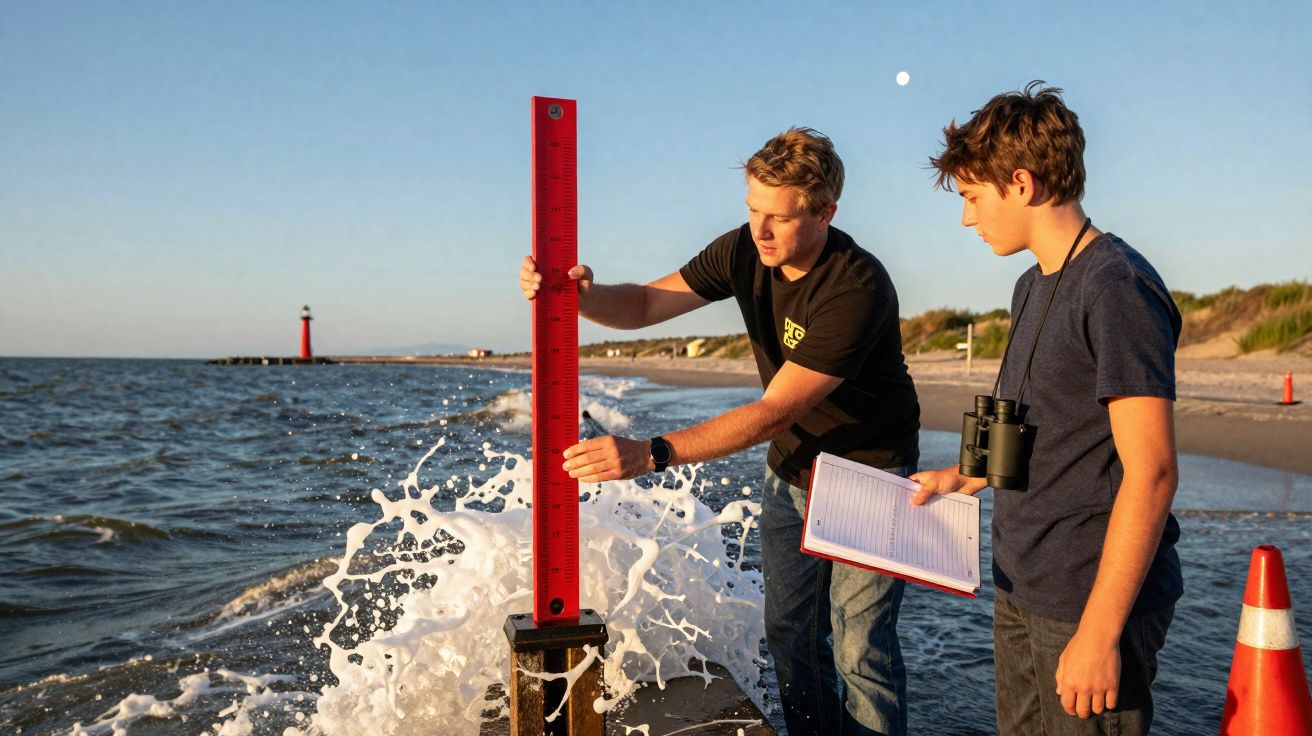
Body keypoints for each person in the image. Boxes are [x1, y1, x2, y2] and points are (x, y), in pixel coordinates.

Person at [519, 128, 920, 736]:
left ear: (825, 213)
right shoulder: (742, 249)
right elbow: (648, 305)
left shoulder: (854, 286)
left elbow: (772, 412)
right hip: (792, 468)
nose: (759, 230)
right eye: (753, 210)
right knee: (790, 635)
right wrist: (579, 296)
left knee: (861, 649)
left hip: (869, 473)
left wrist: (650, 453)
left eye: (778, 218)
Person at [911, 82, 1183, 735]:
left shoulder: (1116, 287)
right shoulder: (1030, 285)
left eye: (974, 198)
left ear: (1022, 184)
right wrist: (958, 479)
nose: (967, 219)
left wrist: (1098, 633)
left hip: (1089, 600)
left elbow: (1152, 474)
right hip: (1023, 582)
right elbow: (1031, 426)